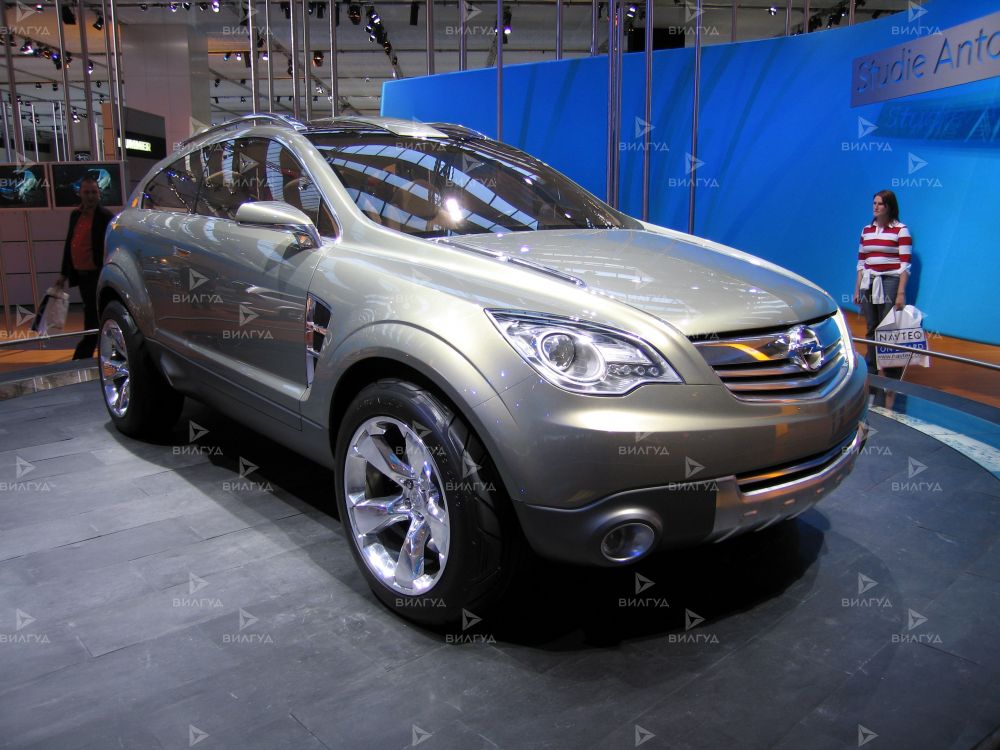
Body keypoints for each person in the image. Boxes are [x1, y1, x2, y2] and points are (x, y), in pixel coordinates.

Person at [852, 189, 912, 379]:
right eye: (874, 203)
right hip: (869, 281)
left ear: (889, 207)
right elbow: (861, 262)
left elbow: (905, 265)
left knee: (887, 326)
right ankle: (872, 368)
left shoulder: (901, 230)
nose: (876, 207)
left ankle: (891, 370)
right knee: (872, 325)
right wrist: (857, 289)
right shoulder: (866, 230)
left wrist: (901, 293)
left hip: (890, 281)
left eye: (880, 204)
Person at [57, 176, 113, 359]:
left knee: (93, 318)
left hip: (98, 276)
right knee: (92, 315)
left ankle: (82, 357)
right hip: (82, 277)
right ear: (80, 193)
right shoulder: (75, 215)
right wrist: (63, 274)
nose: (90, 196)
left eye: (94, 192)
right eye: (87, 192)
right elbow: (70, 244)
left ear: (99, 194)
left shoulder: (106, 217)